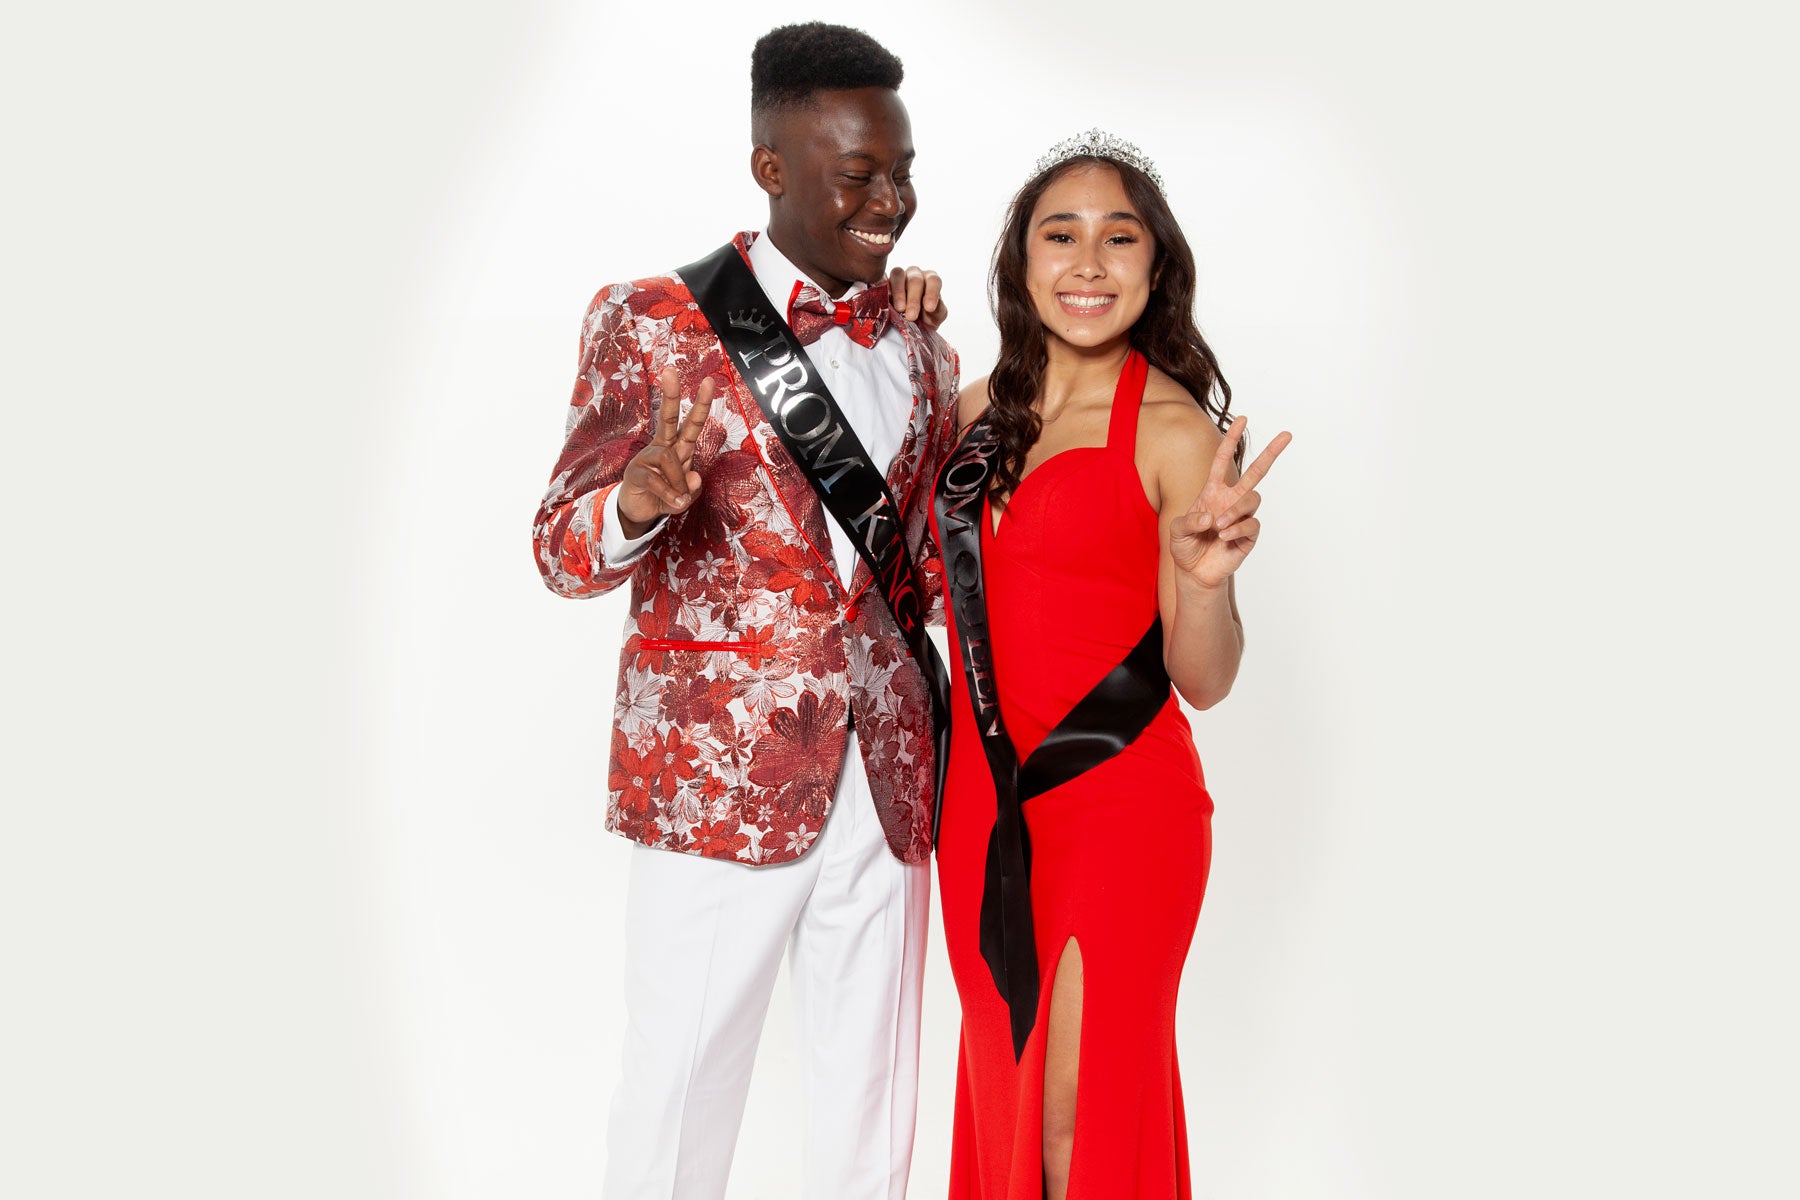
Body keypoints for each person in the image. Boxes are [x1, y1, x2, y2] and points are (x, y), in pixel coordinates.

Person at [530, 23, 959, 1200]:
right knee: (678, 1096)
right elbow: (559, 550)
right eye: (858, 174)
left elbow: (917, 549)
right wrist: (633, 501)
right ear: (770, 166)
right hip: (718, 774)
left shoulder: (917, 341)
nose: (894, 199)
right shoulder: (653, 318)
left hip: (886, 769)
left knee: (872, 1103)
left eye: (904, 168)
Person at [930, 131, 1292, 1199]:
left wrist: (1209, 579)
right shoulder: (973, 417)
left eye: (1118, 237)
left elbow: (1205, 678)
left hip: (1117, 806)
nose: (1088, 263)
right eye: (1061, 234)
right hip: (981, 809)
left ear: (1155, 266)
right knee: (1007, 1092)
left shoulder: (1179, 434)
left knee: (1073, 1120)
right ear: (1021, 263)